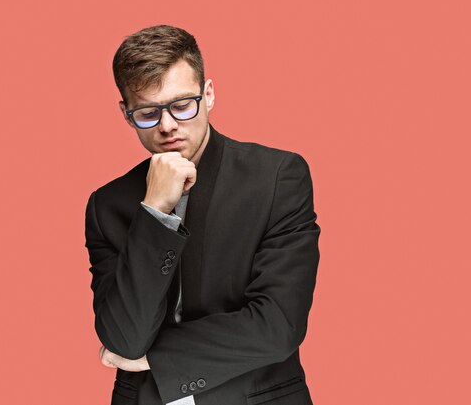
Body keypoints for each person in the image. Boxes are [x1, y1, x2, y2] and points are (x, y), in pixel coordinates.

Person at [84, 24, 321, 405]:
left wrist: (155, 359)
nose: (167, 126)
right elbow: (124, 337)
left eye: (181, 105)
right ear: (126, 114)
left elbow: (277, 326)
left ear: (208, 94)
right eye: (147, 113)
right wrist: (154, 211)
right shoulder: (107, 205)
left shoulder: (276, 177)